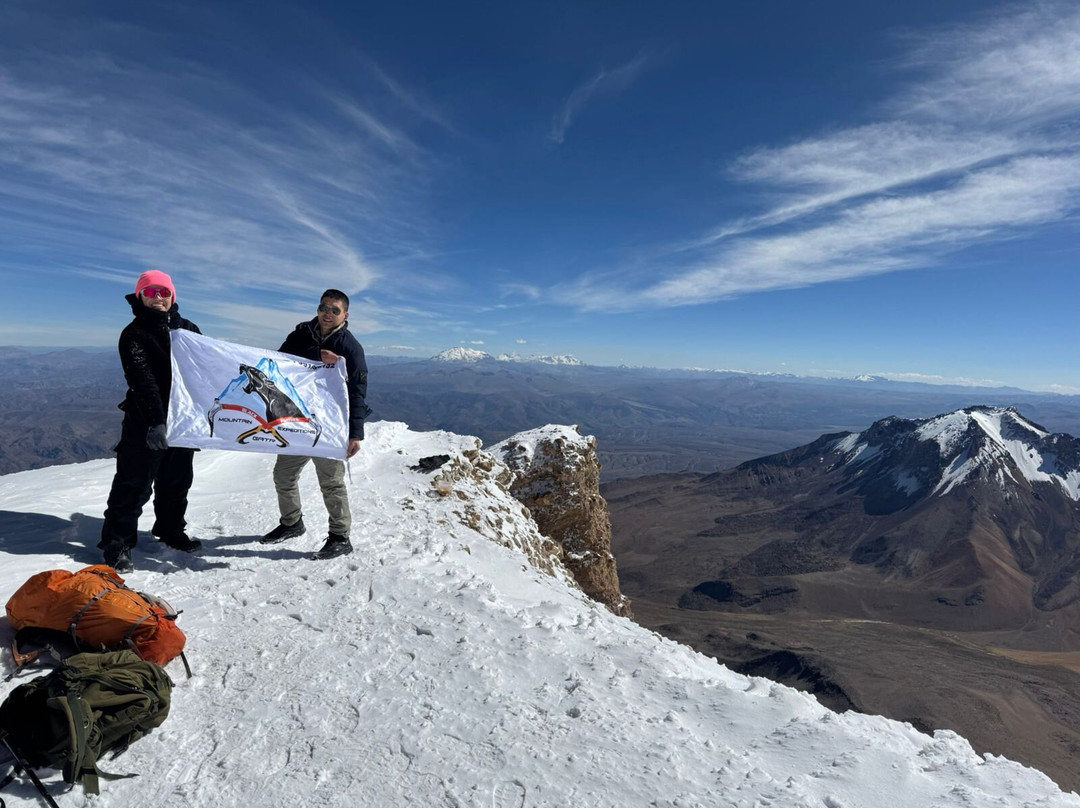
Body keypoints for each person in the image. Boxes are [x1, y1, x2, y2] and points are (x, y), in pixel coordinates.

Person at [99, 270, 203, 573]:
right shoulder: (133, 334)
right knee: (134, 483)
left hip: (182, 421)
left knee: (177, 481)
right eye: (151, 292)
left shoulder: (189, 329)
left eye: (164, 291)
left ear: (173, 296)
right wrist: (156, 422)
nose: (158, 297)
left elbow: (205, 371)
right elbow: (143, 381)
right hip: (145, 422)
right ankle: (117, 543)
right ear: (140, 296)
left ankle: (170, 530)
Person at [261, 289, 368, 559]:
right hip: (298, 421)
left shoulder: (350, 347)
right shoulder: (301, 334)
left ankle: (340, 537)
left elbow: (357, 390)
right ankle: (291, 523)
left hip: (330, 426)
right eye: (324, 307)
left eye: (335, 309)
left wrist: (354, 433)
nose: (327, 313)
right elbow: (279, 362)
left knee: (331, 482)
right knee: (283, 475)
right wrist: (315, 355)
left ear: (345, 314)